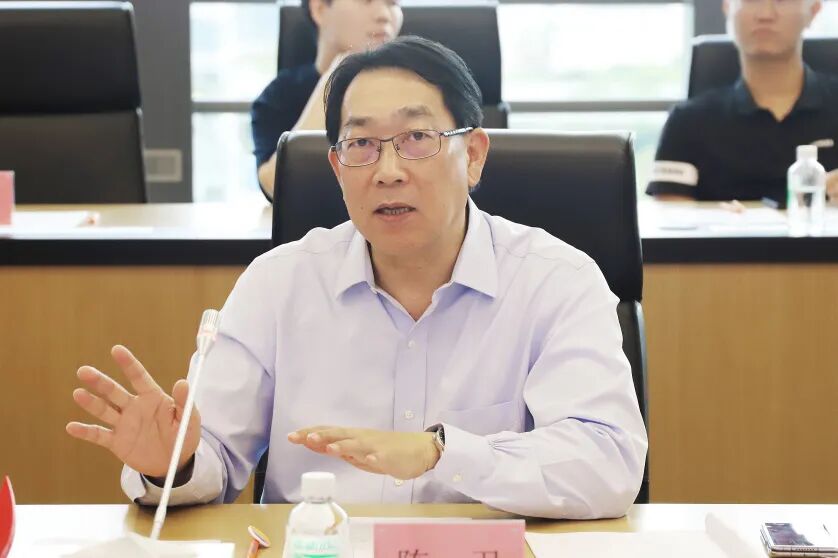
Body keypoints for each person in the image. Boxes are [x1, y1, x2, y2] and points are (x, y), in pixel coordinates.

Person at [67, 37, 647, 520]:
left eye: (417, 139)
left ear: (473, 155)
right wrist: (173, 463)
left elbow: (609, 461)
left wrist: (441, 453)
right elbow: (212, 455)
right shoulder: (278, 285)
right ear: (337, 167)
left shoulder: (557, 281)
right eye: (362, 145)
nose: (388, 171)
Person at [647, 0, 838, 204]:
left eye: (781, 1)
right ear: (727, 7)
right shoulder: (686, 121)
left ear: (814, 10)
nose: (765, 14)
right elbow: (670, 216)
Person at [251, 0, 403, 200]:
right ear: (320, 9)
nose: (384, 15)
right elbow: (274, 187)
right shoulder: (279, 96)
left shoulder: (418, 89)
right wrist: (337, 77)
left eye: (393, 3)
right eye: (366, 1)